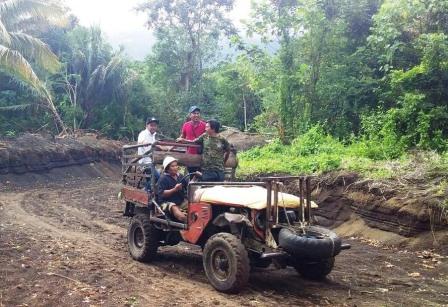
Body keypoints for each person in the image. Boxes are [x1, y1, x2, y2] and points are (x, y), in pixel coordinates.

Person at [157, 156, 187, 222]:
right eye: (172, 166)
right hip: (164, 204)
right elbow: (162, 194)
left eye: (176, 165)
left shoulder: (180, 176)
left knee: (193, 204)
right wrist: (174, 190)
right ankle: (186, 222)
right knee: (173, 207)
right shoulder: (163, 178)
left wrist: (195, 178)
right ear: (167, 169)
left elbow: (187, 185)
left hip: (180, 202)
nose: (175, 168)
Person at [178, 106, 206, 173]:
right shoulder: (186, 125)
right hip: (190, 155)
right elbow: (182, 136)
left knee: (201, 176)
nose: (196, 115)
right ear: (190, 115)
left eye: (198, 113)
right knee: (191, 174)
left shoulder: (205, 125)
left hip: (202, 155)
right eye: (194, 113)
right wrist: (173, 145)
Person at [137, 117, 160, 190]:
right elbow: (141, 141)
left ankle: (149, 192)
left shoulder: (153, 135)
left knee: (152, 179)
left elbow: (155, 145)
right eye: (151, 125)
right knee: (157, 177)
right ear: (147, 126)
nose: (153, 127)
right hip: (145, 162)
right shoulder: (143, 133)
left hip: (151, 161)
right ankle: (145, 190)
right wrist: (145, 143)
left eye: (155, 125)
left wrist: (167, 148)